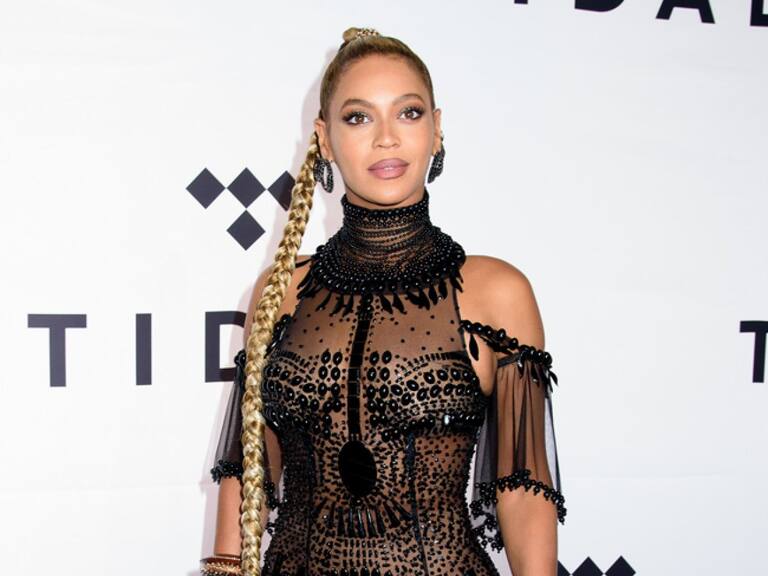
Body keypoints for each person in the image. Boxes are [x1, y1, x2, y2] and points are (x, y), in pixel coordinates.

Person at [200, 26, 566, 576]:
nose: (387, 138)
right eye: (358, 117)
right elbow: (249, 470)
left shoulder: (496, 291)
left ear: (437, 129)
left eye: (408, 113)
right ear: (324, 140)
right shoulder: (280, 291)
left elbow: (523, 490)